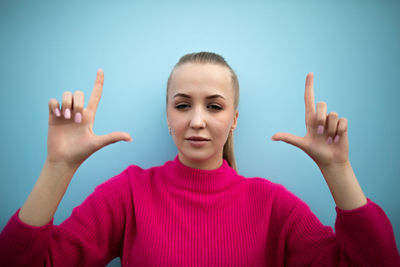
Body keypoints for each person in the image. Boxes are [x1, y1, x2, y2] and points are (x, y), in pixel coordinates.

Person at [0, 51, 399, 266]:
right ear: (168, 117)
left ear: (234, 119)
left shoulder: (272, 204)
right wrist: (58, 166)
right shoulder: (131, 193)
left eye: (214, 106)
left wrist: (337, 169)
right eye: (182, 105)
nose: (197, 121)